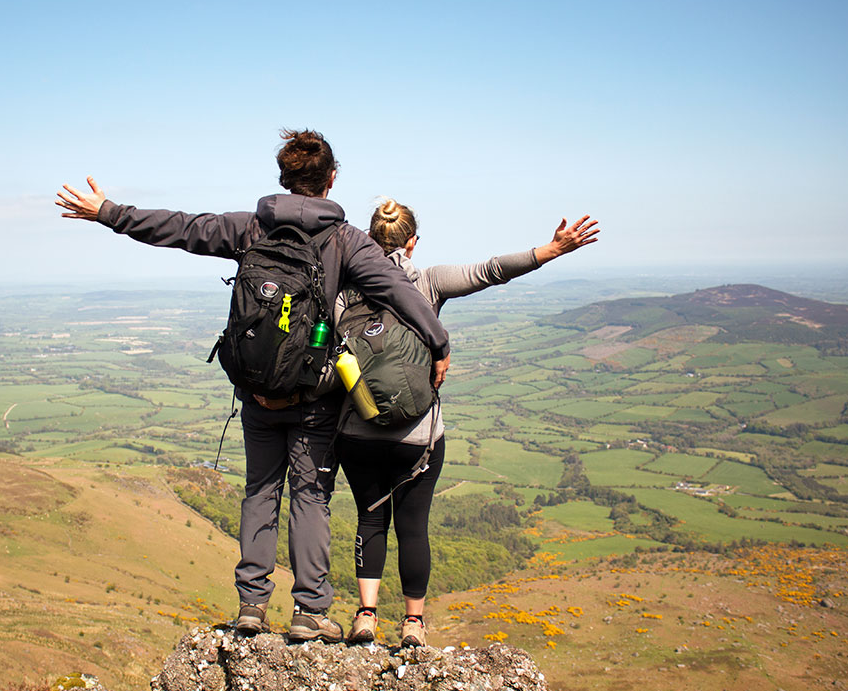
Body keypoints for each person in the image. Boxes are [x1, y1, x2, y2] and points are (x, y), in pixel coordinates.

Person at [55, 131, 451, 643]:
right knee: (310, 495)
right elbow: (398, 291)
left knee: (260, 490)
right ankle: (310, 610)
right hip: (313, 396)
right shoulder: (345, 241)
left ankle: (251, 606)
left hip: (256, 391)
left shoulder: (251, 227)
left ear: (283, 179)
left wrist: (109, 211)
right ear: (331, 179)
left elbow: (179, 229)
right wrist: (439, 344)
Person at [339, 198, 599, 647]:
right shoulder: (427, 281)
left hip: (357, 429)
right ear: (413, 242)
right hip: (417, 434)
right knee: (413, 526)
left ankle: (366, 615)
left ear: (369, 239)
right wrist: (552, 250)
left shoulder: (345, 287)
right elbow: (491, 269)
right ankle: (413, 623)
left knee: (370, 519)